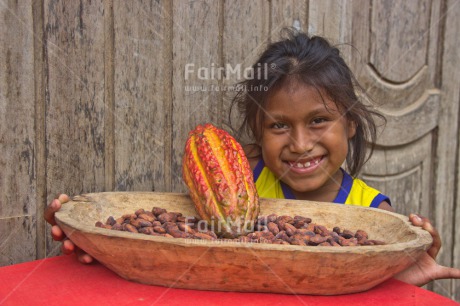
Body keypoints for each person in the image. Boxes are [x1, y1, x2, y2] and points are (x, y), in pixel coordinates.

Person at [45, 29, 460, 286]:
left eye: (318, 121)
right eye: (279, 126)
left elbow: (372, 277)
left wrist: (395, 277)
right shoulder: (238, 185)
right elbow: (175, 247)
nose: (299, 144)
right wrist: (101, 243)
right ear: (258, 136)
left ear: (351, 123)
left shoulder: (372, 212)